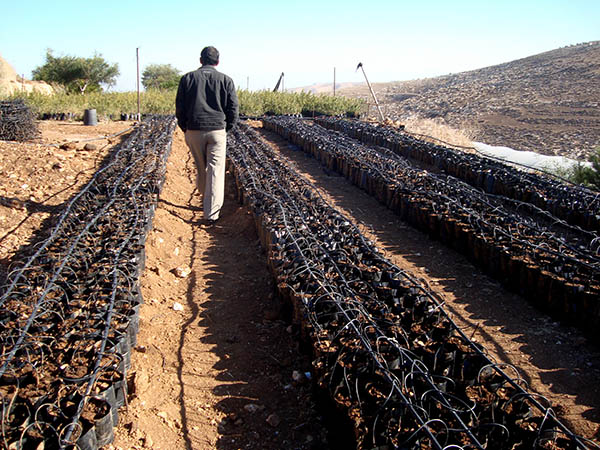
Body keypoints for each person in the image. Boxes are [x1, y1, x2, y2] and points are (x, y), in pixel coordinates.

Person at [176, 46, 239, 225]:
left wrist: (185, 128)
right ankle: (211, 213)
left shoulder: (187, 79)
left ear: (200, 60)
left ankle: (205, 201)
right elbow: (233, 107)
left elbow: (179, 107)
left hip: (194, 130)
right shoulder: (226, 80)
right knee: (215, 170)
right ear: (217, 62)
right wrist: (228, 127)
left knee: (201, 166)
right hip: (217, 130)